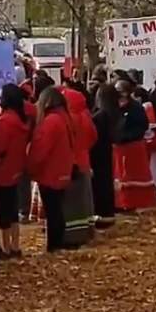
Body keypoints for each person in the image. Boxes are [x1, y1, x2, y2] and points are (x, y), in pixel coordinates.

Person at [28, 88, 75, 251]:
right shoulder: (65, 117)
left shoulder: (50, 122)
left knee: (52, 211)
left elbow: (41, 149)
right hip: (62, 170)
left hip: (50, 173)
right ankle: (57, 243)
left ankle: (54, 245)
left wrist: (30, 168)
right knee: (57, 210)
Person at [0, 85, 29, 257]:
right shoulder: (20, 120)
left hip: (2, 172)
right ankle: (15, 245)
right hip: (15, 170)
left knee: (3, 212)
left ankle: (5, 247)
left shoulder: (5, 122)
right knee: (12, 210)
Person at [60, 87, 97, 248]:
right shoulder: (86, 116)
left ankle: (73, 236)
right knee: (85, 201)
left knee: (72, 203)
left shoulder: (69, 118)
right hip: (84, 160)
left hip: (71, 163)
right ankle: (87, 231)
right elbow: (93, 137)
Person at [113, 81, 156, 211]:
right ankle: (120, 202)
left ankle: (135, 201)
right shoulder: (113, 106)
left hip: (133, 147)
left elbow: (142, 126)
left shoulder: (136, 108)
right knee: (119, 176)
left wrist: (127, 136)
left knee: (133, 176)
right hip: (117, 148)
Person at [91, 83, 119, 228]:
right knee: (106, 182)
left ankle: (102, 215)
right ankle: (108, 213)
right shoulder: (114, 112)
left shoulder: (100, 116)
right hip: (106, 152)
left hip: (97, 153)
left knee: (99, 184)